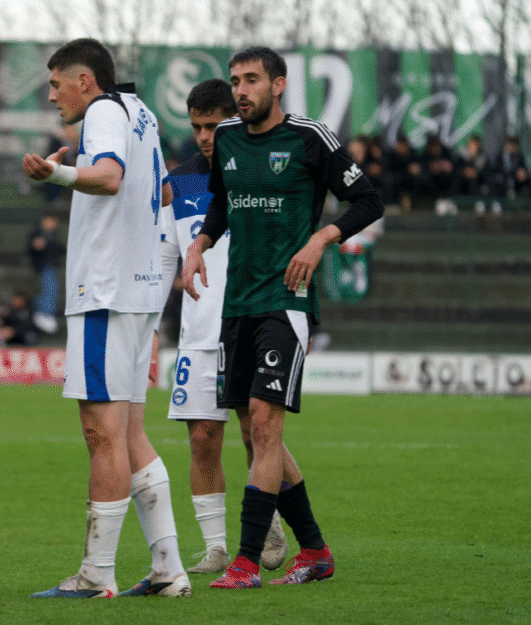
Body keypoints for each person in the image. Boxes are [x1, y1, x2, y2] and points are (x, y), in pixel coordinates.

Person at [181, 46, 383, 588]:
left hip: (286, 302)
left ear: (278, 84)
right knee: (254, 431)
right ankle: (315, 550)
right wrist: (199, 243)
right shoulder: (224, 139)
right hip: (237, 303)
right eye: (235, 81)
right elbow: (222, 203)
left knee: (266, 426)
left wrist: (321, 238)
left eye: (251, 80)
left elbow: (368, 201)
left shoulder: (310, 137)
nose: (241, 90)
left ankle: (246, 561)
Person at [22, 38, 188, 599]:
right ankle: (168, 568)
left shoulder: (101, 114)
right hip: (138, 291)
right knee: (132, 434)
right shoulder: (141, 113)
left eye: (55, 84)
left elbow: (111, 177)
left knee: (102, 435)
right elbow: (162, 191)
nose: (51, 97)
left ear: (84, 81)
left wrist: (56, 176)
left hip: (106, 292)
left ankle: (96, 574)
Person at [158, 79, 288, 575]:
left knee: (258, 433)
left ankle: (267, 520)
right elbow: (166, 259)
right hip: (197, 333)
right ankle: (215, 547)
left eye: (214, 125)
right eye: (196, 127)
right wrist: (151, 330)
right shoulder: (181, 182)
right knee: (202, 440)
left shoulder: (259, 171)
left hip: (252, 324)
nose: (205, 136)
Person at [26, 212, 65, 333]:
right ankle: (43, 313)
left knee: (51, 290)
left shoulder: (52, 235)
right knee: (50, 290)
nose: (53, 224)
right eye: (51, 221)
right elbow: (35, 246)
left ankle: (41, 312)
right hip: (44, 266)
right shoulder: (37, 233)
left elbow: (59, 249)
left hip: (50, 266)